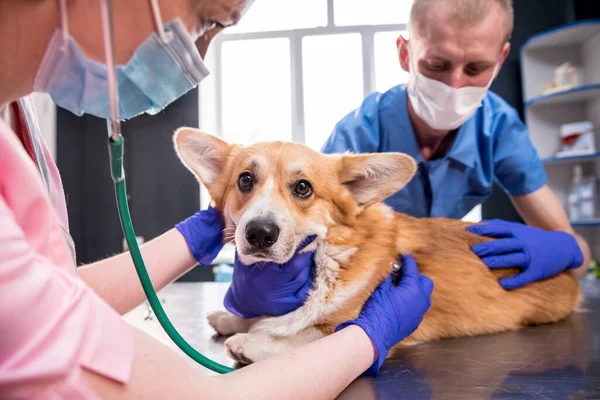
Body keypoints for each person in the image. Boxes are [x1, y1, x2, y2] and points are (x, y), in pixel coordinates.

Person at [0, 0, 435, 398]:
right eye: (208, 21)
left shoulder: (18, 126)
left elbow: (43, 301)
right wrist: (368, 336)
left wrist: (194, 237)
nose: (199, 58)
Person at [321, 0, 590, 291]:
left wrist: (566, 251)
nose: (455, 85)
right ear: (404, 53)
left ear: (500, 60)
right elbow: (315, 245)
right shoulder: (358, 136)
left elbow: (579, 252)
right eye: (437, 65)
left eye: (476, 68)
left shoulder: (498, 128)